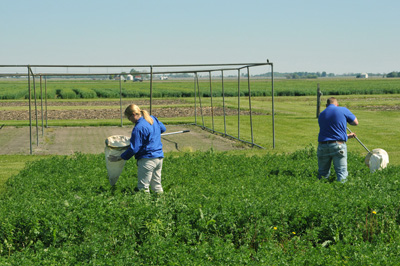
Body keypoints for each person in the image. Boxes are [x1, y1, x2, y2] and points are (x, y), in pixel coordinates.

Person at [108, 104, 166, 193]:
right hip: (159, 158)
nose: (129, 120)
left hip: (147, 160)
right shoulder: (152, 118)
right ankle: (162, 203)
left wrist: (120, 157)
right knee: (157, 185)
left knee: (143, 187)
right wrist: (153, 134)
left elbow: (134, 149)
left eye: (129, 118)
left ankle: (145, 206)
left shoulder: (138, 128)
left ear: (133, 115)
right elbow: (163, 128)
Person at [317, 97, 358, 183]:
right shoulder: (343, 110)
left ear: (326, 105)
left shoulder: (322, 114)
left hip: (322, 146)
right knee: (341, 173)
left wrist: (347, 136)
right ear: (337, 104)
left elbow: (330, 133)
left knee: (323, 174)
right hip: (338, 146)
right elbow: (355, 122)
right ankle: (341, 192)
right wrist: (345, 120)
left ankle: (323, 191)